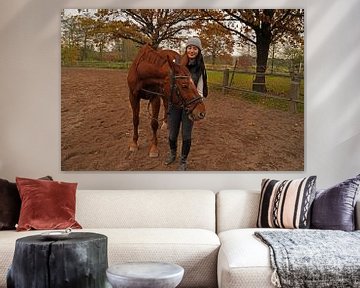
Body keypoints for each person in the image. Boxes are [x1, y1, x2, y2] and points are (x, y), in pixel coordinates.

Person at [164, 36, 208, 171]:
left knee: (186, 135)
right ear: (186, 49)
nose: (192, 50)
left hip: (189, 106)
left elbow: (199, 91)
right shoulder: (177, 66)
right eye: (189, 48)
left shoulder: (200, 69)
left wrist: (193, 103)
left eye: (195, 48)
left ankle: (183, 160)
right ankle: (172, 154)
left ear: (199, 51)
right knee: (172, 134)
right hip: (175, 105)